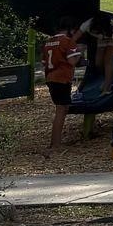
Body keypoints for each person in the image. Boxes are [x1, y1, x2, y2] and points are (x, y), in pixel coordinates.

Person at [40, 16, 84, 158]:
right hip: (62, 78)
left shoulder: (48, 43)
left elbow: (43, 62)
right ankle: (55, 144)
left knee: (63, 108)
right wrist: (79, 54)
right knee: (60, 110)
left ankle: (55, 142)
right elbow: (72, 61)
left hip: (51, 77)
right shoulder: (68, 42)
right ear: (71, 29)